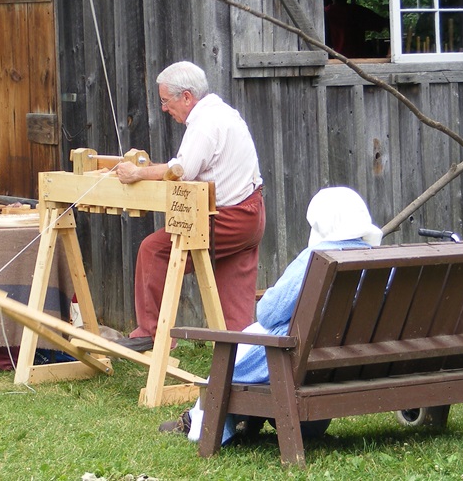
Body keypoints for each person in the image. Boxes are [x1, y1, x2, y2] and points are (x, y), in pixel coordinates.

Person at [159, 187, 383, 444]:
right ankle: (250, 418)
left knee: (238, 355)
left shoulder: (316, 260)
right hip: (348, 358)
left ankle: (205, 422)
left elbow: (268, 313)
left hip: (294, 358)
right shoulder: (378, 258)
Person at [114, 61, 265, 352]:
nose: (164, 108)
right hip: (250, 215)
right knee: (235, 294)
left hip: (228, 217)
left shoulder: (205, 124)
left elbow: (182, 169)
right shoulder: (222, 113)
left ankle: (153, 333)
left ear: (186, 97)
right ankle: (242, 353)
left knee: (153, 251)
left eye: (165, 101)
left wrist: (138, 173)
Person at [324, 0, 389, 58]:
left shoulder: (324, 14)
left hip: (331, 61)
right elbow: (386, 23)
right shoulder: (358, 12)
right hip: (357, 61)